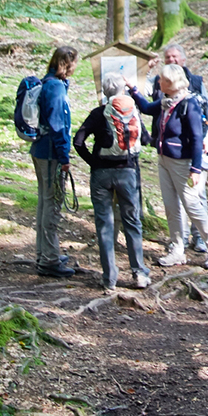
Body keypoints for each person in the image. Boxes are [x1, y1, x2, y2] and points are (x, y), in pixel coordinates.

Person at [129, 64, 208, 269]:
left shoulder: (189, 104)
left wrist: (196, 169)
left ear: (170, 83)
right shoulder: (165, 102)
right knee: (171, 207)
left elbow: (197, 138)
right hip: (164, 160)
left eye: (161, 80)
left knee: (192, 205)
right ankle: (177, 249)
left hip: (183, 163)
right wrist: (133, 90)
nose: (158, 83)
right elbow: (145, 108)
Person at [74, 73, 152, 291]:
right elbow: (145, 140)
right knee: (132, 222)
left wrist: (93, 162)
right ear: (123, 90)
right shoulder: (133, 112)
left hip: (101, 175)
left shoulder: (98, 114)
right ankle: (139, 274)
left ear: (105, 92)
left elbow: (78, 141)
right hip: (128, 172)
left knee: (104, 224)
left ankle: (109, 278)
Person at [150, 43, 208, 253]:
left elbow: (205, 119)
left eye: (175, 56)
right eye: (168, 57)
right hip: (165, 154)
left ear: (183, 60)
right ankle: (179, 243)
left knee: (194, 200)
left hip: (188, 155)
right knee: (172, 203)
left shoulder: (193, 92)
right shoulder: (163, 89)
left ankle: (206, 243)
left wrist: (197, 165)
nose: (171, 59)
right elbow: (145, 102)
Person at [32, 46, 78, 278]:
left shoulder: (47, 82)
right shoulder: (56, 88)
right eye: (74, 63)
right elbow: (59, 125)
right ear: (67, 64)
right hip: (50, 154)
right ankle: (49, 259)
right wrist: (64, 156)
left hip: (40, 149)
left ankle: (44, 252)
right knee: (52, 205)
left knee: (44, 201)